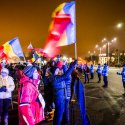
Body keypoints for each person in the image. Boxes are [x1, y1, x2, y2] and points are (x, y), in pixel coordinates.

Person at [50, 60, 77, 125]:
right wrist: (72, 66)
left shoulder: (56, 77)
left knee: (59, 113)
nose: (59, 71)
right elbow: (66, 75)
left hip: (61, 97)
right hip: (59, 99)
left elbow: (66, 76)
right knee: (59, 114)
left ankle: (61, 122)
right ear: (54, 72)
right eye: (57, 70)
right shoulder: (56, 78)